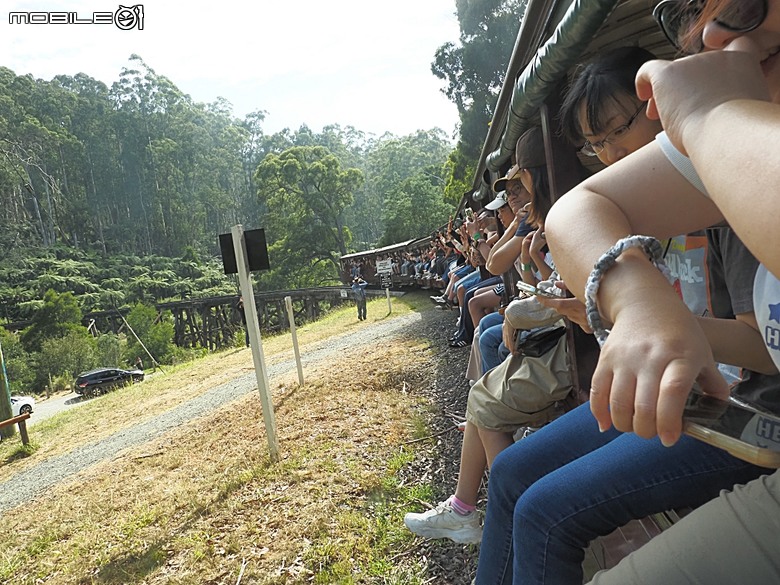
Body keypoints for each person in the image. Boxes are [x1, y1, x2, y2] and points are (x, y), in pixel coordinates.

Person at [475, 45, 778, 585]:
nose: (612, 153)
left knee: (544, 513)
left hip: (733, 406)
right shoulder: (638, 208)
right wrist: (614, 313)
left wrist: (665, 325)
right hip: (673, 390)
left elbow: (760, 349)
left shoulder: (727, 194)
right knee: (511, 474)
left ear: (660, 104)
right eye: (596, 143)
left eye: (619, 129)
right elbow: (580, 218)